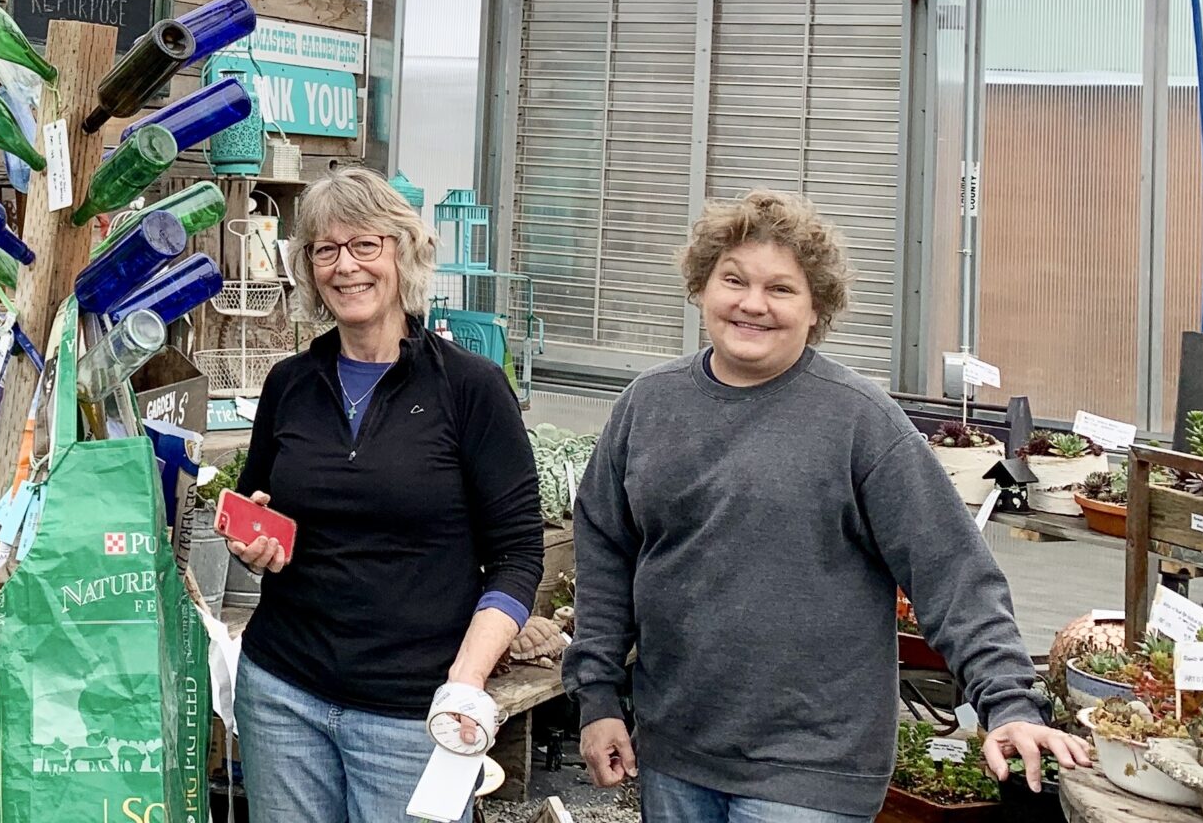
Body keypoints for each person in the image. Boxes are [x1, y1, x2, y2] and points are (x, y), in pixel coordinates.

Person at [567, 189, 1091, 823]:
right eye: (733, 279)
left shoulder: (859, 423)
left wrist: (1007, 701)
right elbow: (604, 557)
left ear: (817, 308)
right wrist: (596, 697)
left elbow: (950, 571)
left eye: (781, 289)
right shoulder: (647, 407)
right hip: (677, 754)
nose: (752, 304)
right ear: (702, 287)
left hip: (812, 768)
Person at [226, 166, 543, 823]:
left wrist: (465, 680)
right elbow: (259, 500)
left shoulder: (470, 388)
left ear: (405, 253)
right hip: (283, 692)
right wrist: (252, 541)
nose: (346, 267)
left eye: (366, 245)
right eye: (326, 249)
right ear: (310, 268)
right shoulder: (290, 383)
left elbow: (517, 554)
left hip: (413, 709)